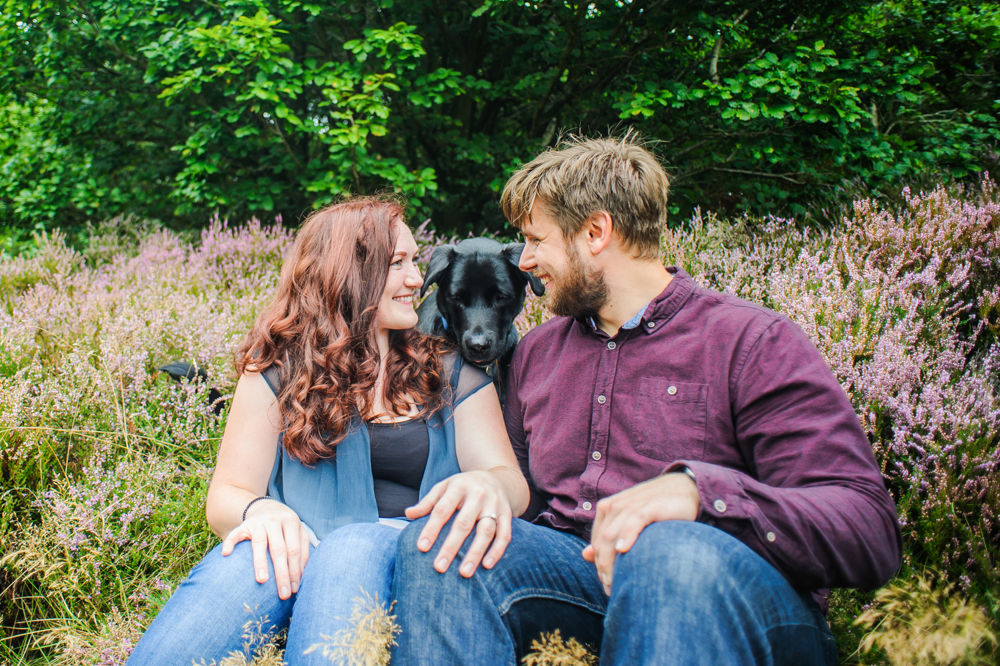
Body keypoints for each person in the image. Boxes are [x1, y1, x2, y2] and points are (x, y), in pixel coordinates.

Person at [390, 136, 902, 664]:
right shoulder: (537, 353)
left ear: (595, 232)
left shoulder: (752, 341)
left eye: (535, 241)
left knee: (665, 549)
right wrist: (490, 489)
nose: (527, 260)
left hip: (736, 597)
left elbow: (868, 528)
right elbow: (521, 491)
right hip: (578, 577)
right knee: (440, 544)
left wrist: (702, 495)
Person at [129, 196, 529, 664]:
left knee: (349, 549)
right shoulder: (275, 373)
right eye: (398, 263)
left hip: (405, 551)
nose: (418, 279)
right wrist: (262, 511)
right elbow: (227, 495)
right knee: (228, 582)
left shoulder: (452, 372)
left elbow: (511, 484)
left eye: (414, 262)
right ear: (349, 273)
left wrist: (487, 483)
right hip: (293, 544)